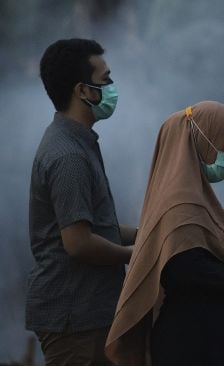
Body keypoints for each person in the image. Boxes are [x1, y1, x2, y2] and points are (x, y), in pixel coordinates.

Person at [104, 101, 224, 365]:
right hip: (197, 342)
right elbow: (185, 269)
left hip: (216, 337)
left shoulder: (200, 199)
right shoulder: (180, 203)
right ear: (204, 140)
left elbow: (208, 249)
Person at [27, 38, 135, 365]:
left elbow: (96, 227)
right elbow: (78, 242)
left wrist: (152, 233)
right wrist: (136, 255)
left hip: (87, 314)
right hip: (75, 319)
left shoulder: (78, 142)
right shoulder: (69, 156)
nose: (112, 87)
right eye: (105, 80)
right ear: (83, 91)